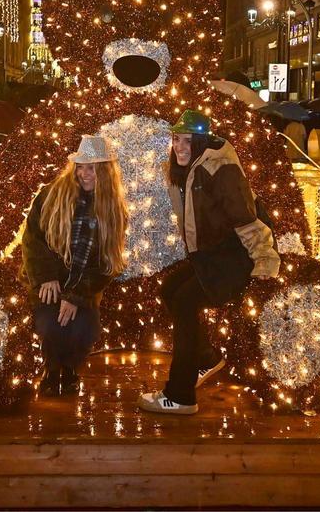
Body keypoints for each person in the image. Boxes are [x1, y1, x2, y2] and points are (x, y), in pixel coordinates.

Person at [139, 110, 280, 416]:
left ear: (201, 142)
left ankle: (180, 395)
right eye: (176, 139)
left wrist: (265, 261)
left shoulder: (221, 167)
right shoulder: (186, 168)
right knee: (170, 289)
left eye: (187, 140)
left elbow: (246, 219)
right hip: (213, 255)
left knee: (186, 302)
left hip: (236, 255)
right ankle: (205, 358)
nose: (179, 146)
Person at [23, 136, 128, 396]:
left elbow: (108, 263)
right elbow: (32, 237)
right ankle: (52, 369)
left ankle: (70, 368)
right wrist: (46, 276)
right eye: (80, 167)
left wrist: (76, 295)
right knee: (49, 322)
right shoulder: (51, 194)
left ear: (104, 171)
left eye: (91, 168)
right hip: (51, 278)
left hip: (84, 282)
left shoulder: (113, 209)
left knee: (83, 326)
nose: (84, 174)